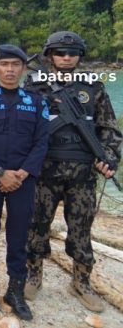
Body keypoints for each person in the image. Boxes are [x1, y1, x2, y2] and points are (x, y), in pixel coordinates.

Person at [23, 31, 121, 312]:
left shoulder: (94, 87)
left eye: (72, 53)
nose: (66, 58)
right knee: (37, 225)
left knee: (81, 229)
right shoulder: (35, 84)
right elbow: (21, 124)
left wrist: (110, 158)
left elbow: (109, 129)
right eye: (60, 53)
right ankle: (34, 275)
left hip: (82, 174)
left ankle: (81, 282)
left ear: (80, 56)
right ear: (49, 55)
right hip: (44, 170)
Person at [0, 44, 49, 320]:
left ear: (24, 68)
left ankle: (15, 289)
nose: (10, 70)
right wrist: (0, 172)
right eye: (5, 64)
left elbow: (41, 141)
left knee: (18, 236)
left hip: (23, 181)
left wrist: (22, 174)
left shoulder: (37, 102)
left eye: (16, 64)